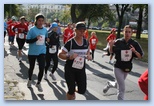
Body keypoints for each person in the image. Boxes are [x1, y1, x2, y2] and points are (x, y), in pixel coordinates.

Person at [102, 25, 144, 100]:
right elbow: (111, 52)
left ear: (132, 33)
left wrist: (135, 51)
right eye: (126, 32)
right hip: (117, 66)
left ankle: (109, 84)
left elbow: (140, 56)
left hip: (127, 67)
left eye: (129, 32)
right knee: (122, 87)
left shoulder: (134, 43)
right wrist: (111, 46)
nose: (127, 34)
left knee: (116, 84)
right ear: (123, 32)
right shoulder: (118, 42)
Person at [58, 22, 92, 100]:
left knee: (82, 90)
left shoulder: (86, 42)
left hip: (81, 69)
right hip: (70, 69)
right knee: (71, 90)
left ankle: (73, 89)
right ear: (75, 30)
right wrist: (69, 56)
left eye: (83, 31)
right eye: (80, 30)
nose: (82, 32)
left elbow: (88, 51)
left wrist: (89, 55)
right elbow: (60, 54)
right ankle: (70, 95)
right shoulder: (70, 42)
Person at [26, 14, 48, 92]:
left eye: (42, 20)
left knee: (42, 67)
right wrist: (35, 38)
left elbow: (45, 39)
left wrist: (47, 40)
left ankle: (38, 83)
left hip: (42, 51)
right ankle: (30, 79)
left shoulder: (45, 30)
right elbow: (27, 41)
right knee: (31, 67)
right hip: (32, 52)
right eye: (39, 20)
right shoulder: (32, 30)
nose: (41, 22)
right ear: (36, 21)